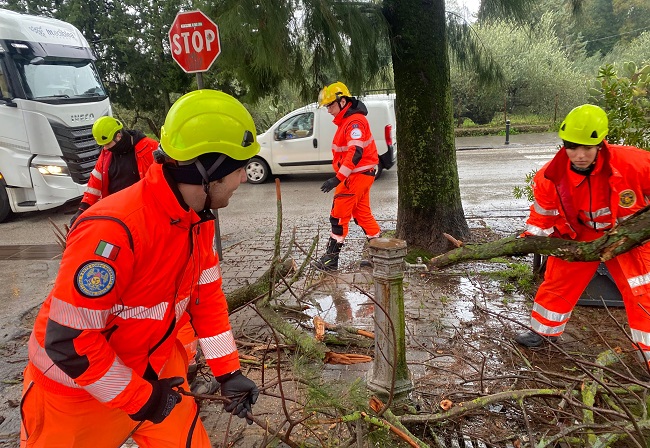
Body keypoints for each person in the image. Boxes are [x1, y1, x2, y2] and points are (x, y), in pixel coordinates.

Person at [20, 90, 260, 447]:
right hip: (77, 396)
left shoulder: (198, 219)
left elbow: (205, 298)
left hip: (157, 373)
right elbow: (69, 342)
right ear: (206, 171)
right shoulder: (113, 232)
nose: (243, 178)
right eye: (237, 168)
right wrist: (140, 398)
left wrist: (229, 372)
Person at [514, 104, 650, 365]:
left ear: (600, 144)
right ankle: (544, 332)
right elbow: (543, 215)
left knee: (643, 290)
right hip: (579, 234)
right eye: (572, 147)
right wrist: (531, 239)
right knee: (558, 280)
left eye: (587, 148)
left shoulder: (633, 163)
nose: (579, 155)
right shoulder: (550, 176)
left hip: (627, 237)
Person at [313, 81, 381, 271]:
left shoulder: (354, 122)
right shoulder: (349, 121)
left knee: (338, 216)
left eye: (330, 105)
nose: (328, 110)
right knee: (362, 215)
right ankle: (380, 256)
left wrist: (338, 178)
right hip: (361, 175)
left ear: (343, 101)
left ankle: (331, 260)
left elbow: (355, 152)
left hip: (355, 176)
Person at [69, 116, 157, 226]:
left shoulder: (149, 148)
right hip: (116, 214)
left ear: (118, 136)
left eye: (107, 144)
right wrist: (83, 208)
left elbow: (164, 181)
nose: (105, 148)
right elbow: (95, 182)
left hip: (142, 214)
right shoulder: (106, 154)